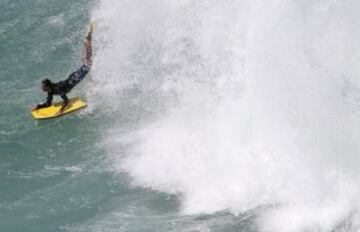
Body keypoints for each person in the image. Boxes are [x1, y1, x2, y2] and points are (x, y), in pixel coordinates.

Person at [33, 24, 93, 114]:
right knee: (85, 62)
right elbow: (48, 104)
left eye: (43, 86)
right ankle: (87, 39)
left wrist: (61, 110)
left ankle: (89, 39)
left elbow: (66, 101)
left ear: (47, 86)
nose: (42, 88)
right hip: (72, 77)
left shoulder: (57, 89)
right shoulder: (50, 92)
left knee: (87, 63)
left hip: (74, 78)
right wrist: (38, 106)